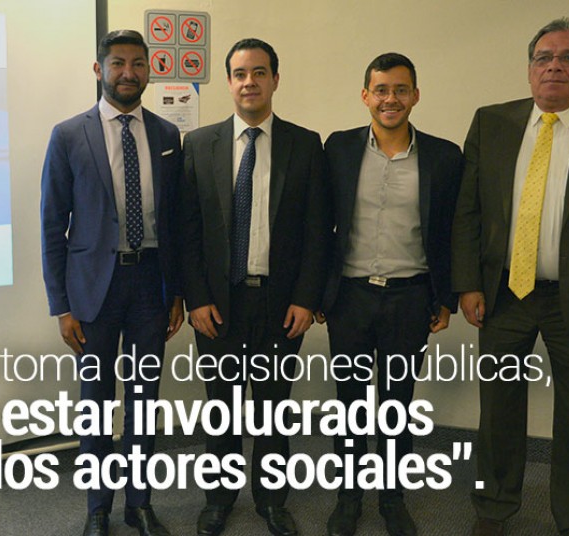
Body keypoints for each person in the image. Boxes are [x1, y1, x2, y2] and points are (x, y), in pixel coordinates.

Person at [451, 17, 569, 536]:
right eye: (544, 57)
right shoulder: (492, 122)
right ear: (530, 69)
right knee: (498, 411)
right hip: (504, 294)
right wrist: (468, 283)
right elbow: (468, 211)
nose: (554, 67)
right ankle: (494, 509)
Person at [179, 38, 331, 536]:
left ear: (275, 80)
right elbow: (188, 231)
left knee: (272, 407)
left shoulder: (305, 144)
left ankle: (271, 500)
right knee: (220, 407)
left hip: (279, 302)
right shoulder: (199, 144)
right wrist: (196, 298)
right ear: (228, 82)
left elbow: (318, 231)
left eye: (260, 73)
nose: (250, 82)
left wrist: (306, 299)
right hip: (218, 304)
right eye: (241, 74)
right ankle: (219, 499)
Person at [40, 29, 183, 536]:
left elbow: (175, 221)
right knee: (96, 405)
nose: (128, 72)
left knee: (144, 402)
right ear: (99, 69)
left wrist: (177, 293)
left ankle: (139, 504)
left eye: (138, 63)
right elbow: (52, 225)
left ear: (149, 70)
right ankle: (97, 508)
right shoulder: (68, 135)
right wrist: (61, 305)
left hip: (150, 285)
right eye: (118, 63)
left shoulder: (167, 135)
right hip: (92, 290)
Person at [319, 53, 463, 536]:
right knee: (350, 405)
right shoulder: (339, 148)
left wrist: (446, 297)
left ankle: (392, 498)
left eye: (401, 89)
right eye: (381, 89)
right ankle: (348, 498)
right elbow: (320, 223)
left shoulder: (443, 156)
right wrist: (319, 292)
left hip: (410, 298)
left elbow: (450, 232)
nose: (390, 99)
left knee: (396, 406)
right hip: (350, 297)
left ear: (415, 95)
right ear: (366, 96)